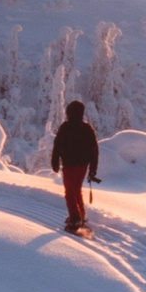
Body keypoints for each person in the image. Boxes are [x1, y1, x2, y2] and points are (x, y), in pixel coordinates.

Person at [51, 97, 99, 233]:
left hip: (70, 165)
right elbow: (94, 150)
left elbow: (57, 146)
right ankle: (80, 215)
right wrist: (92, 169)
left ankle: (75, 218)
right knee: (76, 189)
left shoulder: (65, 127)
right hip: (83, 166)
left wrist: (54, 161)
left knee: (70, 192)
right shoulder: (87, 128)